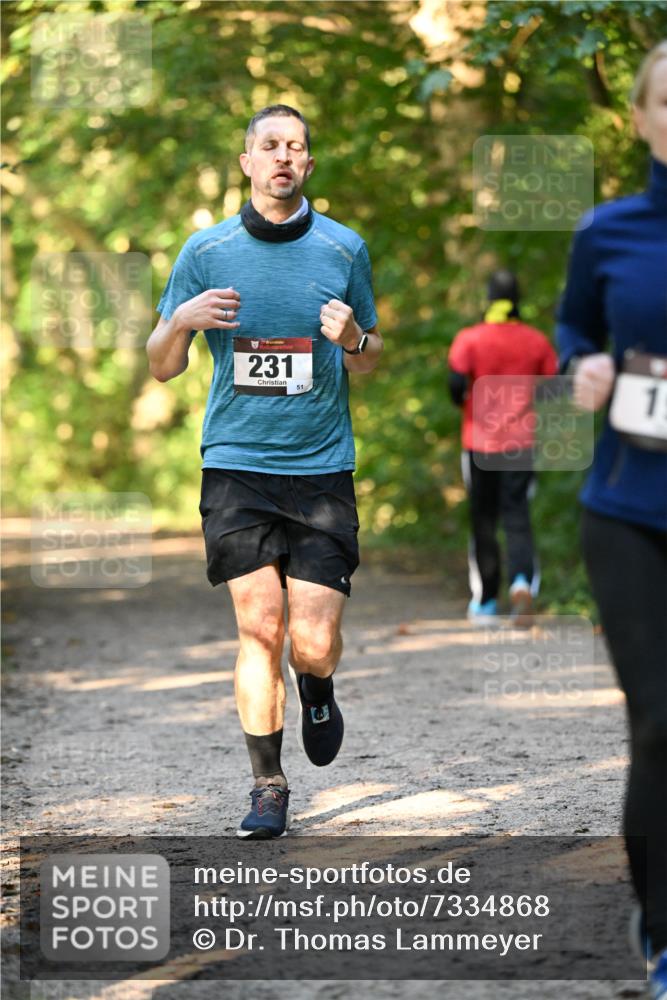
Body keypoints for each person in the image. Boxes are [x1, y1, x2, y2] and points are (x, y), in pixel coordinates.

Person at [146, 105, 383, 839]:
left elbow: (370, 359)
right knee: (259, 628)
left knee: (310, 640)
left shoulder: (343, 248)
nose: (283, 156)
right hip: (236, 466)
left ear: (307, 164)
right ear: (247, 162)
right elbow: (161, 366)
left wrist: (356, 337)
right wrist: (179, 320)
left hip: (320, 470)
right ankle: (268, 785)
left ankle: (318, 685)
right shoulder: (206, 251)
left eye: (295, 146)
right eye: (269, 145)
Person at [557, 42, 667, 1000]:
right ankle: (663, 929)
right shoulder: (608, 231)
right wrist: (580, 365)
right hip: (630, 511)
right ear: (638, 118)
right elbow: (571, 327)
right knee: (660, 721)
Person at [447, 270, 558, 624]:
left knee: (483, 520)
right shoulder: (536, 341)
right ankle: (522, 582)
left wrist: (467, 403)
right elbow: (552, 389)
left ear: (489, 299)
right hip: (522, 443)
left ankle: (486, 601)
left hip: (479, 442)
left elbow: (455, 385)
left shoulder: (469, 339)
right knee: (517, 515)